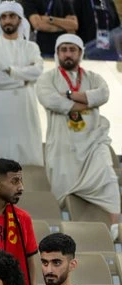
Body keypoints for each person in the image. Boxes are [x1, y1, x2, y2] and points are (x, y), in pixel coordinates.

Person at [36, 34, 120, 235]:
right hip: (63, 147)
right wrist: (87, 101)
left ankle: (114, 230)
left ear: (80, 53)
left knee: (108, 180)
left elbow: (103, 94)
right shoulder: (47, 79)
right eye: (63, 50)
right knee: (63, 195)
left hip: (94, 143)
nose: (68, 54)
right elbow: (50, 100)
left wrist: (69, 95)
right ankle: (69, 236)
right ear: (57, 53)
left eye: (72, 50)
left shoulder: (93, 77)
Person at [0, 1, 44, 166]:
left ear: (20, 19)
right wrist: (23, 79)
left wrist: (10, 71)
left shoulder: (31, 47)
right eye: (3, 17)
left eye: (11, 16)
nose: (7, 20)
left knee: (28, 158)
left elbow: (37, 70)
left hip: (25, 109)